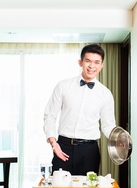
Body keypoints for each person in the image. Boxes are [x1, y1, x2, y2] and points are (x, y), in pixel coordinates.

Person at [43, 44, 116, 175]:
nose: (92, 66)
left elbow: (108, 125)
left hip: (89, 151)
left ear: (101, 65)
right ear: (80, 62)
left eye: (96, 62)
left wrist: (120, 140)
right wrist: (54, 143)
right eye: (88, 61)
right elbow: (50, 115)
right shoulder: (63, 86)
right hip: (63, 146)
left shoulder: (105, 94)